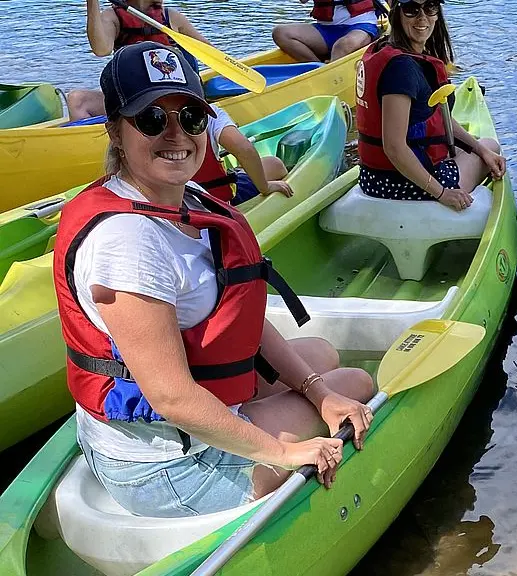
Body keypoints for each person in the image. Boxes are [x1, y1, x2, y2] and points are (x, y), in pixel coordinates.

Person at [53, 42, 375, 518]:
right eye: (151, 119)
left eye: (191, 116)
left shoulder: (188, 197)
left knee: (323, 359)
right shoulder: (128, 241)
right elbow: (170, 396)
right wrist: (285, 454)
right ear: (115, 132)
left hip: (183, 418)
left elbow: (236, 311)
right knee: (358, 380)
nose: (176, 133)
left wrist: (316, 391)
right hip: (164, 466)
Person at [354, 0, 505, 212]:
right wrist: (442, 193)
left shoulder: (385, 48)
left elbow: (438, 118)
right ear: (396, 14)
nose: (422, 17)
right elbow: (394, 147)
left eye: (430, 7)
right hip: (396, 184)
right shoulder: (401, 68)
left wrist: (478, 149)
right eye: (411, 9)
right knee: (492, 145)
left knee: (484, 149)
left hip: (374, 176)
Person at [68, 0, 206, 120]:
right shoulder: (113, 17)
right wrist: (92, 3)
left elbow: (208, 51)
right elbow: (101, 49)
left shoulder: (171, 17)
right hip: (131, 99)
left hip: (171, 98)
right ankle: (107, 137)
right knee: (77, 100)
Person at [202, 102, 294, 206]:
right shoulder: (209, 113)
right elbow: (244, 148)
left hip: (185, 206)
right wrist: (265, 187)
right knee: (274, 164)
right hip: (217, 204)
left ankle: (239, 170)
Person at [272, 0, 380, 63]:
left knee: (341, 46)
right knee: (280, 33)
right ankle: (317, 67)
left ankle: (332, 76)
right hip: (325, 29)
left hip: (361, 25)